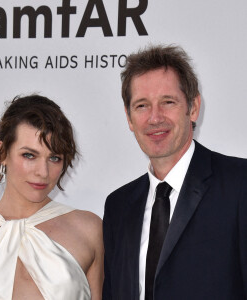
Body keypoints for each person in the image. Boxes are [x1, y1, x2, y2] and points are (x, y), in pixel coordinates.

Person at [102, 45, 247, 300]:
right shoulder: (118, 206)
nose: (155, 118)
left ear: (193, 107)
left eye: (168, 102)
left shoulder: (240, 185)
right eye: (142, 106)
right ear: (129, 117)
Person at [0, 95, 104, 300]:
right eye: (29, 155)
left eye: (54, 158)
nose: (43, 172)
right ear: (2, 152)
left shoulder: (89, 229)